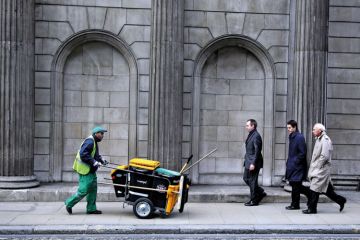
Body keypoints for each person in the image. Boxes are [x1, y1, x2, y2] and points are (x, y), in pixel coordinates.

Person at [302, 123, 347, 214]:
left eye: (314, 129)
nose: (313, 131)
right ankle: (341, 200)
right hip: (320, 169)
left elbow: (324, 156)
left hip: (321, 170)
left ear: (320, 130)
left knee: (314, 189)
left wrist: (317, 167)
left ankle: (312, 209)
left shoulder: (325, 140)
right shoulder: (319, 139)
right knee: (326, 190)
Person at [65, 126, 108, 215]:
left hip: (90, 170)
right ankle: (69, 203)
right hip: (85, 170)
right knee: (83, 190)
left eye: (103, 134)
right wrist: (94, 162)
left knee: (93, 189)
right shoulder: (90, 142)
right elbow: (83, 154)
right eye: (101, 133)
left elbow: (95, 155)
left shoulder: (94, 142)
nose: (103, 136)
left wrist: (101, 160)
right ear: (96, 133)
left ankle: (91, 209)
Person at [285, 120, 310, 210]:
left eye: (290, 128)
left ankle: (295, 204)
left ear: (295, 127)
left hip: (297, 167)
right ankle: (309, 195)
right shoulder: (292, 136)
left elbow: (302, 153)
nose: (288, 129)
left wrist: (295, 162)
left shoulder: (299, 137)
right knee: (295, 185)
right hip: (293, 166)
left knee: (295, 186)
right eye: (287, 128)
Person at [243, 119, 267, 206]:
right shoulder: (251, 134)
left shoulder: (256, 136)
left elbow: (257, 151)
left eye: (247, 125)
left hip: (254, 162)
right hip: (248, 161)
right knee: (246, 178)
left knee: (252, 181)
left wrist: (253, 163)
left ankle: (254, 200)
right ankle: (260, 192)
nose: (246, 127)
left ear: (253, 126)